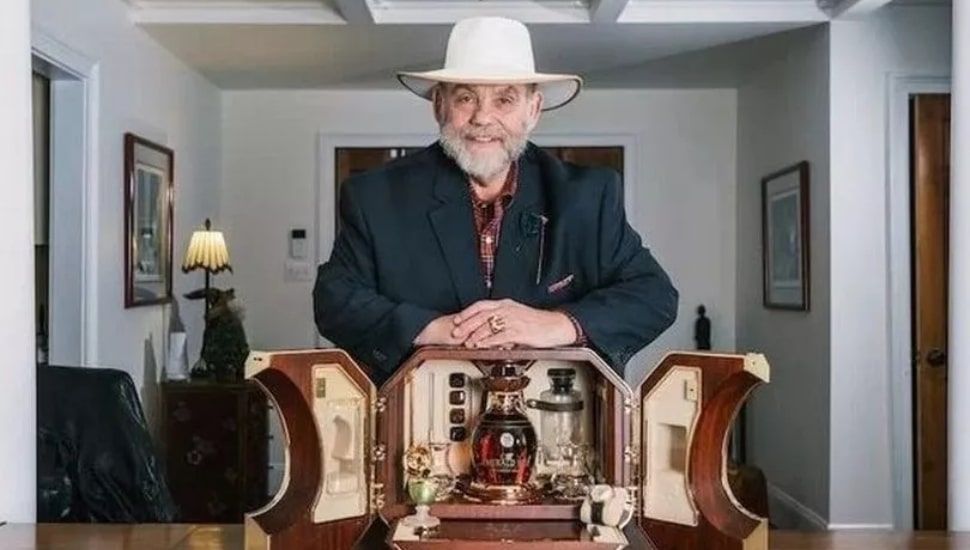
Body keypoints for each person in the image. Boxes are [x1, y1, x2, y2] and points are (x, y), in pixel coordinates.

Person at [313, 16, 679, 385]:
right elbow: (334, 301)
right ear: (439, 106)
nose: (483, 118)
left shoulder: (588, 196)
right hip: (417, 425)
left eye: (504, 99)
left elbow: (654, 297)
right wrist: (434, 329)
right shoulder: (374, 197)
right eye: (466, 97)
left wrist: (556, 324)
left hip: (558, 421)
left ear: (532, 111)